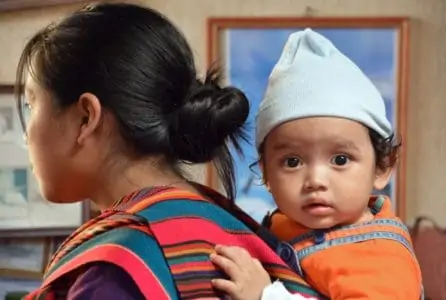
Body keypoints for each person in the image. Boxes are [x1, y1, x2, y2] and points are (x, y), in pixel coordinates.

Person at [17, 3, 323, 300]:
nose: (25, 136)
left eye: (32, 105)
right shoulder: (231, 227)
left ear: (86, 118)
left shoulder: (112, 272)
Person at [210, 29, 423, 300]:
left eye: (340, 159)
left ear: (381, 168)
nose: (316, 180)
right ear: (265, 172)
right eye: (292, 161)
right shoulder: (284, 224)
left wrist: (266, 295)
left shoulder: (379, 256)